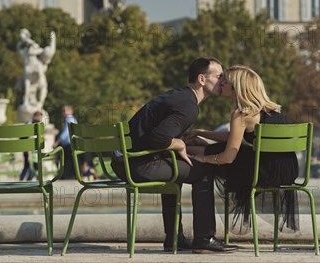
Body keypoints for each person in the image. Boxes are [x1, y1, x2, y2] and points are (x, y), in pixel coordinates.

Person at [110, 56, 238, 254]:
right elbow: (157, 139)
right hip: (137, 165)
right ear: (202, 79)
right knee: (204, 170)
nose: (223, 81)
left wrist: (183, 142)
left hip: (124, 161)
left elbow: (154, 136)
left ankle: (173, 239)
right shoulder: (188, 106)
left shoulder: (180, 96)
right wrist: (178, 143)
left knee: (178, 167)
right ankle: (204, 238)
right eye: (219, 76)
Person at [187, 65, 299, 234]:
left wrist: (205, 159)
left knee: (213, 157)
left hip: (261, 173)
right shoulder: (272, 112)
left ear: (236, 87)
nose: (221, 83)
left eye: (225, 81)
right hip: (286, 172)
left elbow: (228, 157)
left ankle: (181, 151)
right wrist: (203, 133)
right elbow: (233, 136)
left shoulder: (241, 114)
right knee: (222, 148)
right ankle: (189, 148)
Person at [16, 29, 56, 113]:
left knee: (42, 86)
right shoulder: (22, 46)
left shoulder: (32, 44)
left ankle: (38, 103)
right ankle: (27, 101)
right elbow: (26, 52)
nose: (21, 36)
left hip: (36, 66)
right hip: (29, 66)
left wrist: (39, 50)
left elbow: (40, 51)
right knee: (27, 86)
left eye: (22, 34)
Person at [53, 105, 76, 179]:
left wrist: (57, 142)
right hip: (71, 143)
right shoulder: (72, 119)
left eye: (64, 111)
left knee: (67, 160)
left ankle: (66, 175)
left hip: (69, 144)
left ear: (70, 111)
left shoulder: (69, 119)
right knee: (70, 160)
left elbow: (66, 132)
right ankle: (70, 175)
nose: (63, 112)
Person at [20, 111, 43, 181]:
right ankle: (23, 179)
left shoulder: (37, 125)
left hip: (34, 149)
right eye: (39, 117)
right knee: (27, 165)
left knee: (35, 166)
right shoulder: (28, 124)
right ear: (34, 116)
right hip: (27, 148)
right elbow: (25, 138)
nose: (40, 119)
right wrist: (28, 152)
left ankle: (28, 179)